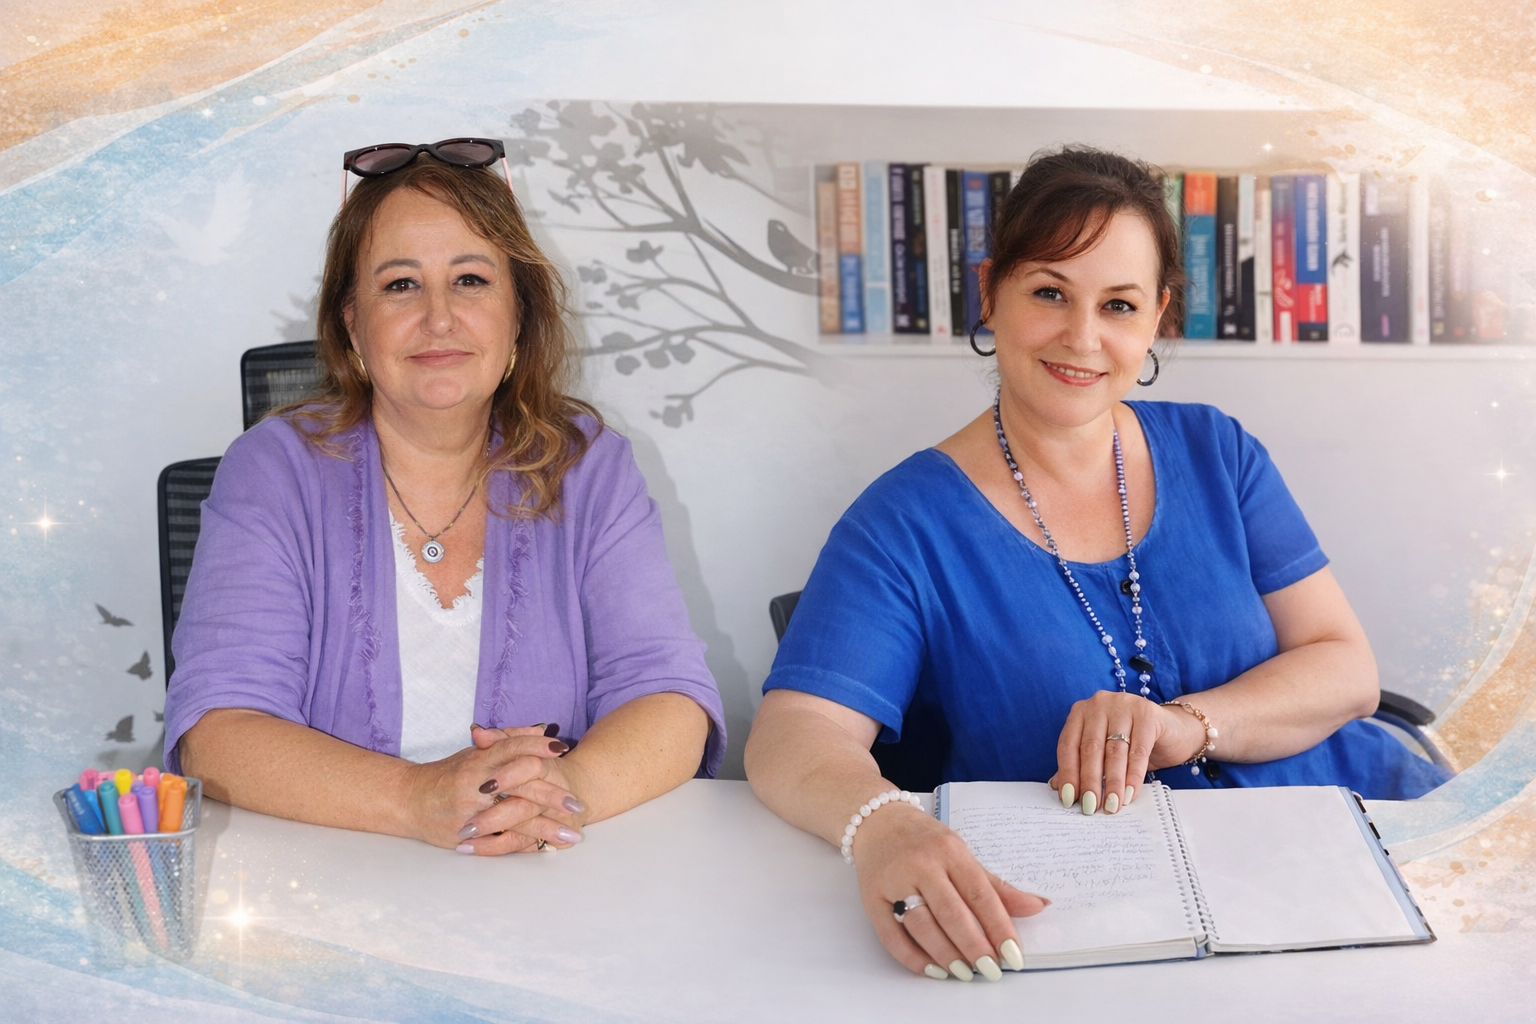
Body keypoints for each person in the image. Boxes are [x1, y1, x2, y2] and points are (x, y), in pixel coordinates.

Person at [744, 147, 1450, 981]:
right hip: (1104, 926)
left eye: (1118, 304)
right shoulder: (903, 523)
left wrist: (1187, 724)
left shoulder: (1218, 452)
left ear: (1156, 318)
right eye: (1050, 292)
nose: (1082, 337)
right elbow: (795, 734)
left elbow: (1346, 669)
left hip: (1353, 843)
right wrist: (883, 827)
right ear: (991, 293)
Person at [165, 138, 724, 856]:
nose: (438, 317)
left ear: (518, 313)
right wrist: (416, 798)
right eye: (401, 284)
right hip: (332, 874)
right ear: (351, 321)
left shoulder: (589, 464)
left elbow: (669, 699)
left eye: (470, 280)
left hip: (546, 873)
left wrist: (559, 793)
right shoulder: (272, 470)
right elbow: (217, 732)